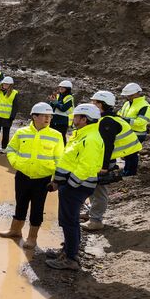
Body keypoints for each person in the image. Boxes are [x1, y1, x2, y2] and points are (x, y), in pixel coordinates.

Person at [47, 104, 105, 271]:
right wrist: (59, 181)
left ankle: (70, 258)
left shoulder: (91, 139)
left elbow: (86, 167)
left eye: (76, 117)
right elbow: (70, 161)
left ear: (84, 119)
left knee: (69, 221)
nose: (73, 119)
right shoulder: (83, 135)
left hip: (77, 186)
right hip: (73, 185)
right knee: (68, 220)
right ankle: (67, 251)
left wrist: (70, 185)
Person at [0, 102, 64, 251]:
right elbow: (11, 149)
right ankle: (15, 230)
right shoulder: (22, 132)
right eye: (44, 116)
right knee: (20, 203)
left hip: (42, 179)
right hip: (23, 175)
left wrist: (56, 180)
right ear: (34, 116)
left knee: (37, 207)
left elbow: (60, 159)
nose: (48, 118)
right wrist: (16, 163)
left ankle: (32, 238)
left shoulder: (56, 135)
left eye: (49, 116)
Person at [83, 90, 141, 232]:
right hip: (103, 159)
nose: (92, 104)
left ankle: (96, 220)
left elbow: (107, 146)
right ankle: (92, 213)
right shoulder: (107, 118)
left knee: (98, 190)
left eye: (95, 102)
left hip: (104, 160)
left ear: (102, 104)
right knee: (92, 188)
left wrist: (103, 167)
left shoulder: (107, 121)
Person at [118, 82, 150, 176]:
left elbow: (141, 122)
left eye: (130, 95)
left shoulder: (145, 106)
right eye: (127, 95)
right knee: (127, 153)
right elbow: (120, 113)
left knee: (132, 153)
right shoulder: (127, 104)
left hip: (137, 134)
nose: (128, 97)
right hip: (127, 133)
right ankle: (126, 170)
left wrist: (125, 120)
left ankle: (131, 173)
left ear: (137, 93)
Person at [0, 76, 18, 151]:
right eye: (4, 84)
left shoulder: (14, 93)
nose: (5, 85)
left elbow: (15, 106)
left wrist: (12, 116)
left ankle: (4, 147)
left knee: (6, 133)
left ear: (10, 85)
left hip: (7, 117)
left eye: (7, 84)